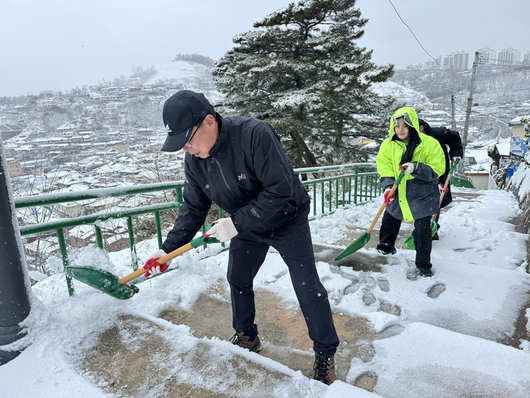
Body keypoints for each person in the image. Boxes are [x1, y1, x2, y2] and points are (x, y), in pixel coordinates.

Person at [143, 90, 339, 385]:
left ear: (209, 122)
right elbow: (194, 208)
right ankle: (247, 336)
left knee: (307, 286)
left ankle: (325, 353)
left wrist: (236, 223)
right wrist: (167, 250)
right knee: (237, 277)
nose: (187, 149)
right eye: (181, 144)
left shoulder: (254, 135)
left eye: (188, 139)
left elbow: (279, 190)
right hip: (246, 226)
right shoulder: (195, 160)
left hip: (287, 219)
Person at [375, 107, 446, 277]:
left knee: (422, 228)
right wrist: (387, 186)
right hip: (398, 191)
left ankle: (423, 265)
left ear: (412, 126)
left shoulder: (429, 144)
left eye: (404, 125)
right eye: (397, 125)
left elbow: (438, 168)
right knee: (390, 217)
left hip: (423, 193)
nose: (400, 129)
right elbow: (384, 167)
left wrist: (416, 168)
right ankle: (385, 248)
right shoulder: (388, 144)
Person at [418, 119, 463, 239]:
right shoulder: (412, 140)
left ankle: (430, 228)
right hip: (422, 173)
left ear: (421, 127)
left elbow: (454, 138)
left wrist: (455, 153)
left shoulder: (437, 134)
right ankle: (424, 228)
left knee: (435, 199)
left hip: (440, 172)